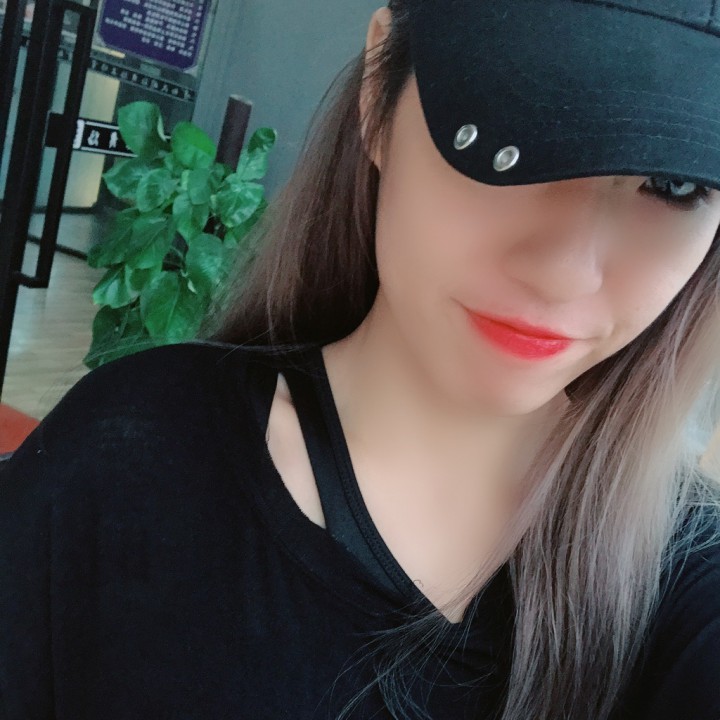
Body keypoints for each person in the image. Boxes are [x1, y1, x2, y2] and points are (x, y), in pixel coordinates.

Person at [2, 1, 720, 718]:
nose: (565, 274)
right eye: (516, 135)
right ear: (380, 88)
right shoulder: (133, 465)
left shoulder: (690, 582)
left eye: (674, 185)